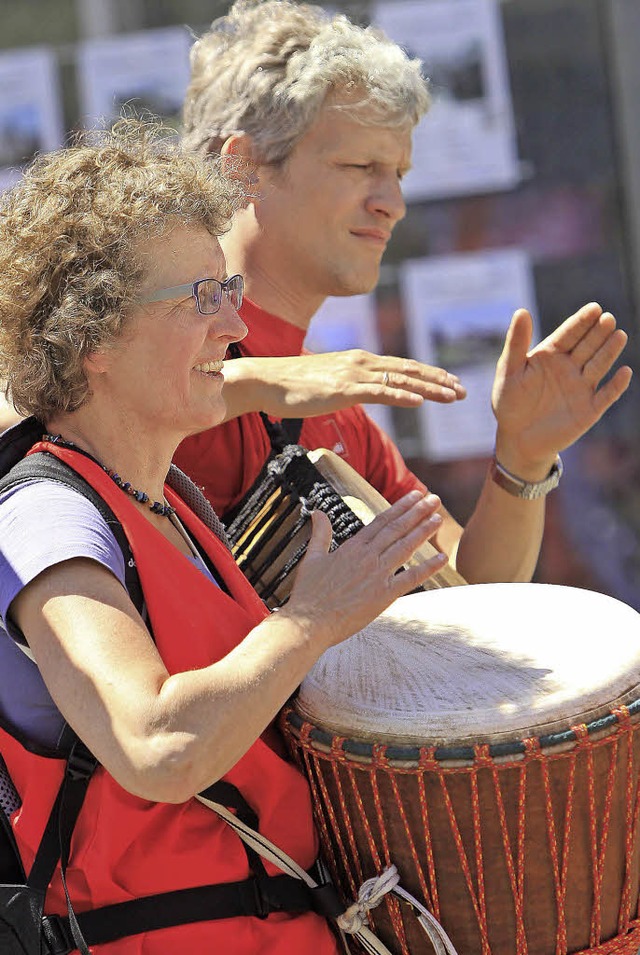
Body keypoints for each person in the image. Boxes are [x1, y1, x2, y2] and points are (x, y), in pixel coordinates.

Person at [0, 121, 450, 954]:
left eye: (230, 291)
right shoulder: (45, 515)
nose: (235, 328)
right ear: (92, 335)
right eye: (201, 297)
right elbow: (156, 744)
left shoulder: (166, 498)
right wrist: (309, 619)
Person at [174, 0, 632, 584]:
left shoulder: (335, 399)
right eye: (359, 165)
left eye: (399, 173)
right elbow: (38, 417)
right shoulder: (149, 341)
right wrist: (264, 382)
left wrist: (523, 456)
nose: (393, 203)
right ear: (243, 169)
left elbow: (472, 593)